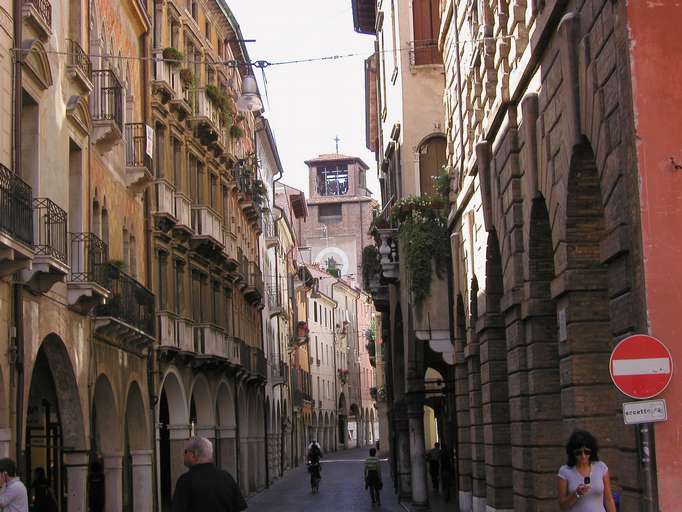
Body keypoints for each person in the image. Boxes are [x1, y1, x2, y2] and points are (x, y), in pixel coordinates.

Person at [172, 436, 247, 512]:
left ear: (194, 454)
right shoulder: (227, 477)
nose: (183, 455)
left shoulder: (185, 481)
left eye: (186, 451)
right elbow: (240, 508)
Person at [557, 430, 617, 511]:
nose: (583, 456)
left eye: (587, 452)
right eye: (578, 453)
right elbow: (562, 506)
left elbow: (608, 500)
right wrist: (576, 494)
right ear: (572, 453)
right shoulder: (565, 471)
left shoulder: (601, 467)